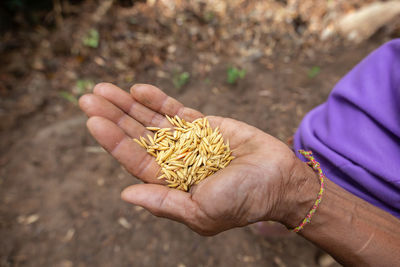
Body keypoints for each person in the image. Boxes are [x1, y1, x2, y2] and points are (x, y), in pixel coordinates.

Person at [79, 39, 400, 266]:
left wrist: (292, 194)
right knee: (298, 159)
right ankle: (287, 224)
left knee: (339, 237)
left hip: (387, 204)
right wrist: (293, 188)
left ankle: (327, 240)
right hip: (327, 135)